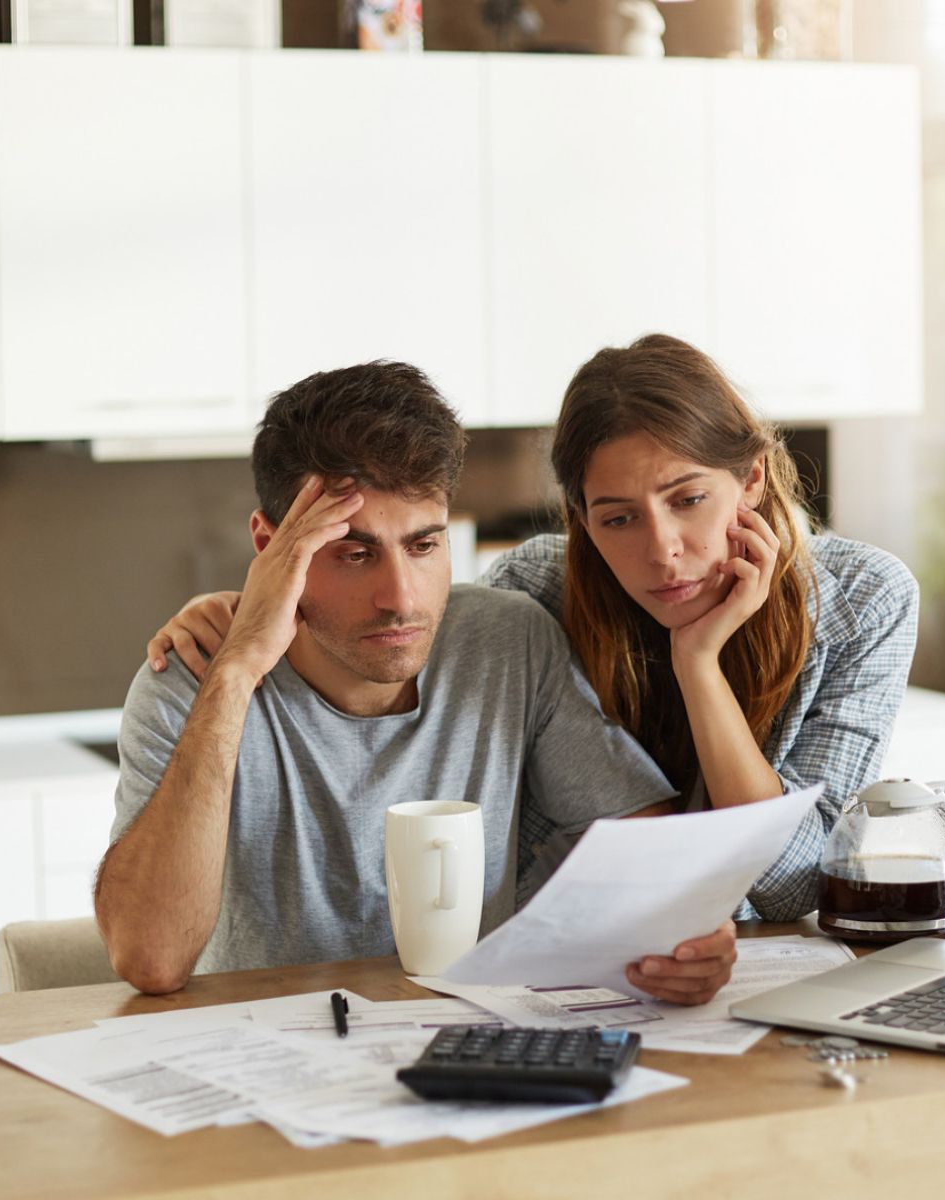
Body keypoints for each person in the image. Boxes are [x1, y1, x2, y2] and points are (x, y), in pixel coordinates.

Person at [149, 335, 920, 923]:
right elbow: (394, 627)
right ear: (581, 519)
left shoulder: (864, 603)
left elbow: (790, 886)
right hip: (577, 967)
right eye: (617, 518)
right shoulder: (540, 591)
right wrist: (250, 613)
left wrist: (699, 665)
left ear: (749, 478)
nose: (661, 551)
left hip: (742, 965)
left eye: (688, 500)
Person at [96, 359, 738, 1001]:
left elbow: (650, 850)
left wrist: (685, 935)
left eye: (424, 546)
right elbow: (151, 960)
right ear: (270, 546)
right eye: (354, 553)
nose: (400, 598)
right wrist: (236, 673)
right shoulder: (192, 681)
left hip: (469, 1045)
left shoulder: (508, 643)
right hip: (265, 1057)